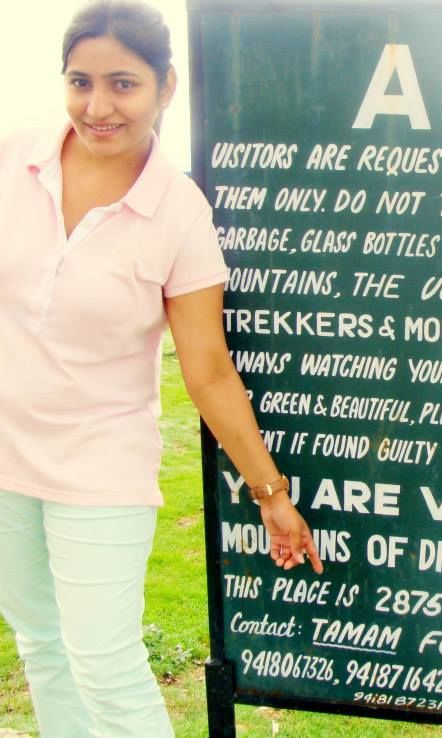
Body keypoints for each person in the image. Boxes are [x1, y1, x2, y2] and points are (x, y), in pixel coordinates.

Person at [0, 1, 322, 735]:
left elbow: (207, 370)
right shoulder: (13, 156)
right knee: (42, 648)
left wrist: (270, 492)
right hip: (3, 458)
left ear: (166, 86)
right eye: (79, 81)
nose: (97, 105)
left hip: (99, 468)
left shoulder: (179, 211)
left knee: (105, 666)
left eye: (123, 84)